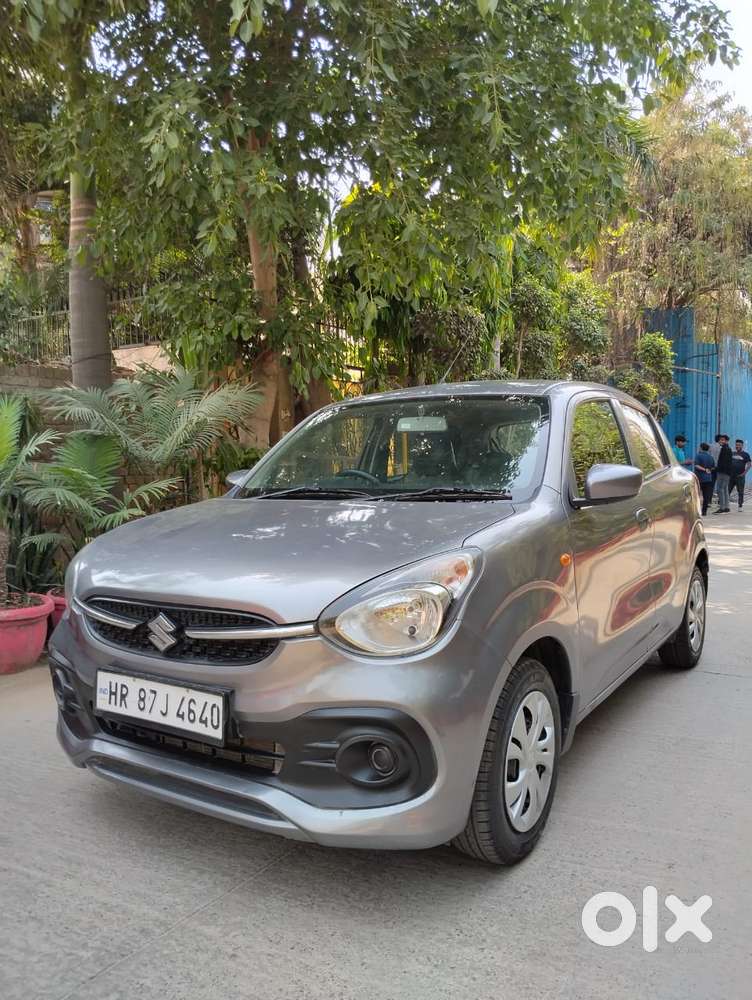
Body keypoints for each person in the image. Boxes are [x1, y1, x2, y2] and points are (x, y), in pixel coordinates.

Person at [713, 434, 733, 514]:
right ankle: (726, 507)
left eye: (723, 440)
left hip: (723, 472)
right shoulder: (727, 448)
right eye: (720, 440)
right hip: (727, 472)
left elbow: (723, 462)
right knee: (724, 489)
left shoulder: (725, 449)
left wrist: (717, 469)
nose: (721, 441)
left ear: (726, 441)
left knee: (720, 489)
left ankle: (722, 507)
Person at [693, 442, 715, 516]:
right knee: (706, 496)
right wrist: (708, 470)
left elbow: (696, 466)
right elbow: (713, 467)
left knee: (697, 495)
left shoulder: (698, 456)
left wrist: (704, 469)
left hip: (699, 478)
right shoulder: (710, 457)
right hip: (708, 479)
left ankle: (697, 511)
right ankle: (704, 511)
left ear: (701, 448)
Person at [730, 438, 751, 510]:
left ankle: (740, 506)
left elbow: (749, 464)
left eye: (739, 445)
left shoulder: (745, 454)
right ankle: (725, 505)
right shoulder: (732, 453)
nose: (737, 446)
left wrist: (744, 473)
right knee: (728, 490)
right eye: (736, 445)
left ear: (742, 446)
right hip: (731, 476)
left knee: (740, 491)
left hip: (740, 476)